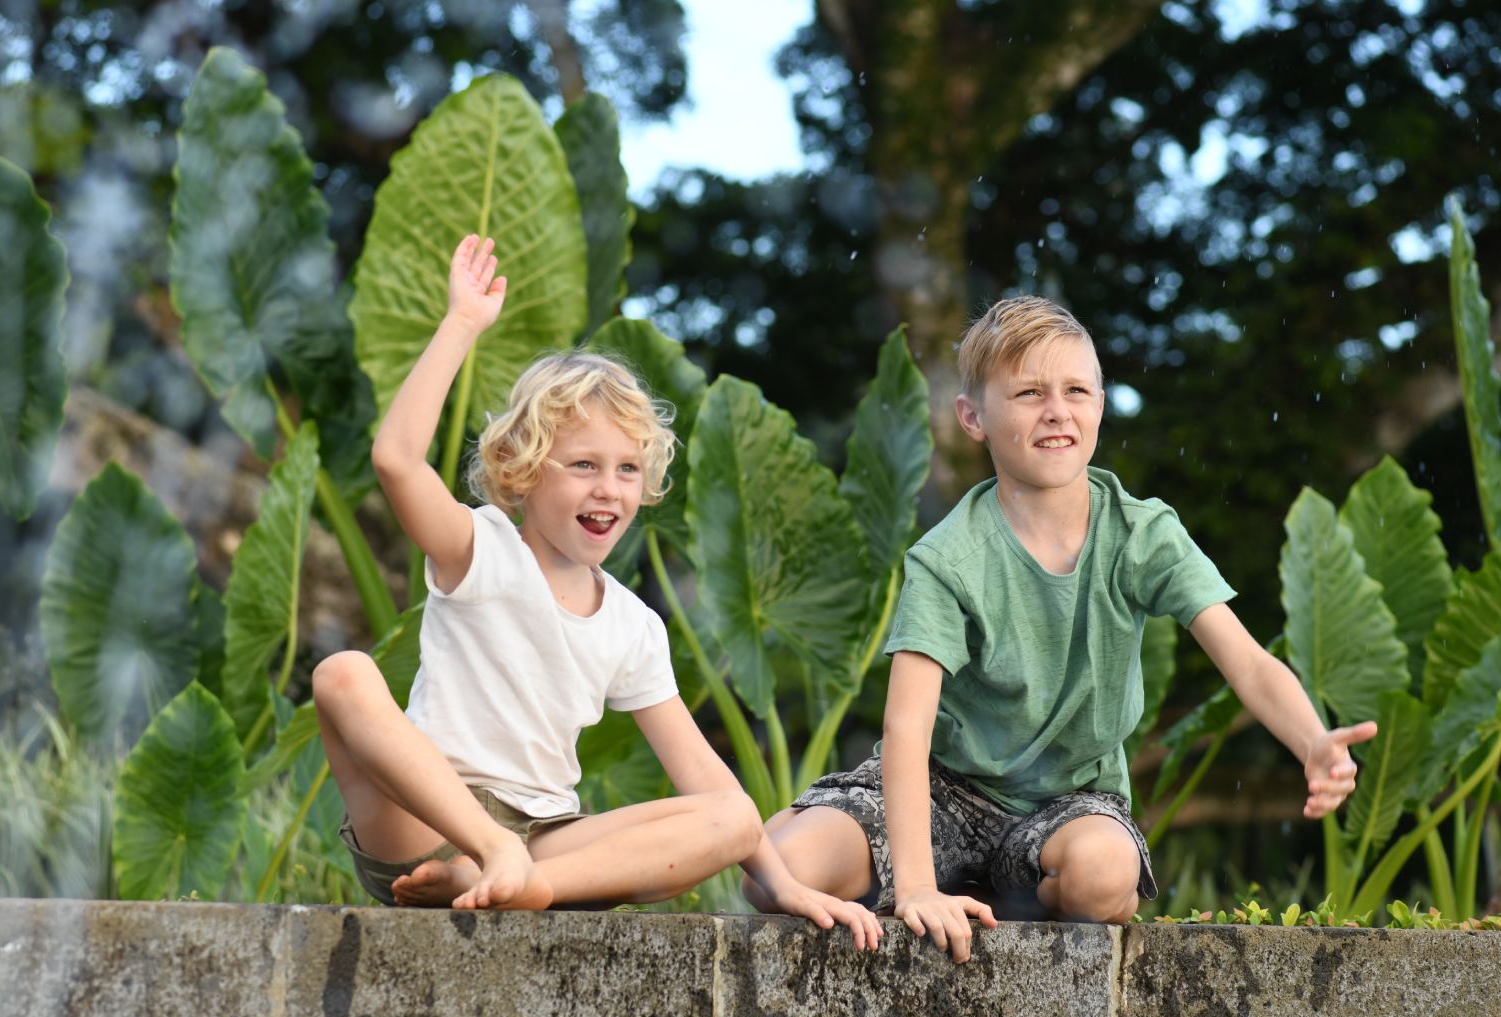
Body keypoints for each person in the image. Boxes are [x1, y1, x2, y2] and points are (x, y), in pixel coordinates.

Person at [747, 296, 1375, 962]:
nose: (1057, 410)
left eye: (1077, 390)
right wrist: (919, 888)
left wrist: (1311, 740)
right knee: (781, 872)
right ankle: (937, 874)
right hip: (943, 792)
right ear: (973, 418)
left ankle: (1017, 890)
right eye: (1027, 392)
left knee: (1102, 878)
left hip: (1073, 799)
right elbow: (907, 729)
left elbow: (1246, 662)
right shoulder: (948, 559)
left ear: (1100, 405)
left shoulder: (1141, 533)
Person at [310, 234, 879, 946]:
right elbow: (396, 459)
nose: (607, 488)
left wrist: (786, 883)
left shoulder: (634, 626)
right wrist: (461, 323)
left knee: (732, 817)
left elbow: (700, 771)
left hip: (548, 845)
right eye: (582, 465)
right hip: (428, 821)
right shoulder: (481, 550)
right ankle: (489, 856)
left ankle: (526, 885)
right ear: (522, 471)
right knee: (343, 674)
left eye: (626, 470)